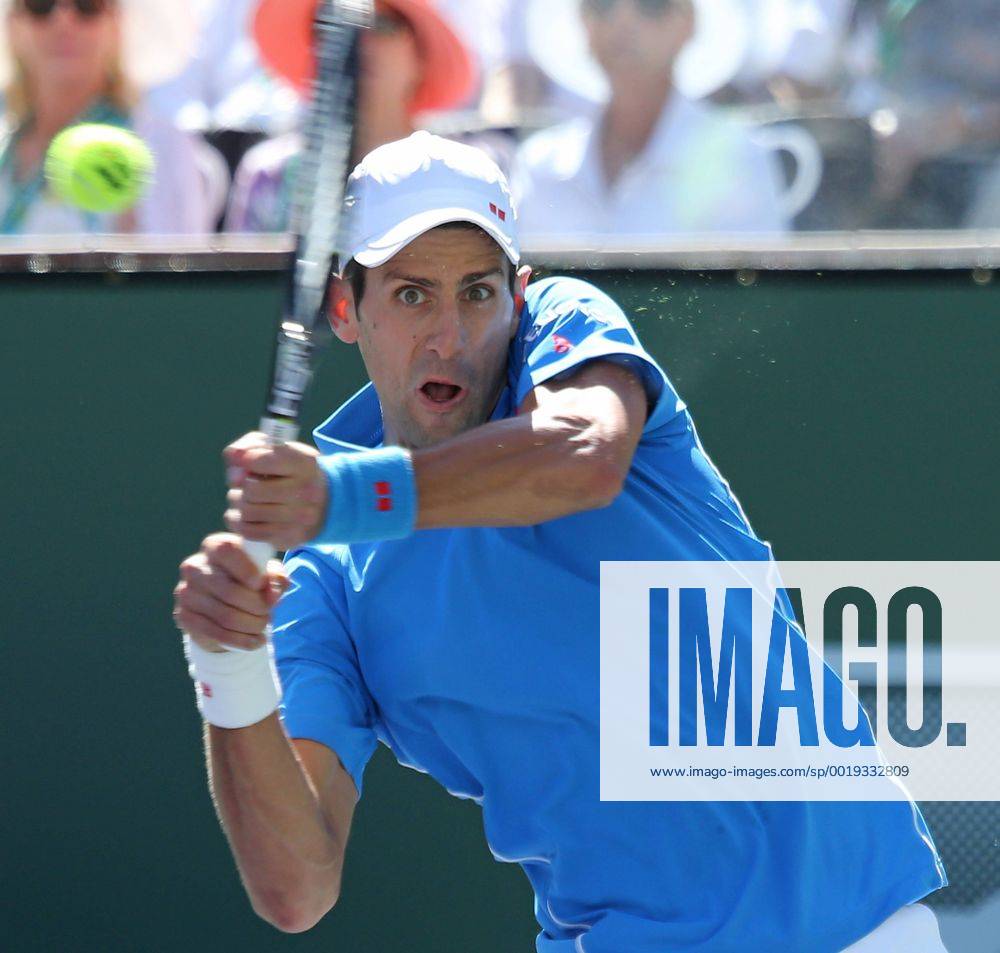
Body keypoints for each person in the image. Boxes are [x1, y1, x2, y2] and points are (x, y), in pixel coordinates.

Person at [173, 132, 948, 951]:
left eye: (478, 293)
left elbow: (586, 455)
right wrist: (227, 667)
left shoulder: (566, 336)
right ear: (344, 309)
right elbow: (296, 887)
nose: (449, 336)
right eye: (411, 296)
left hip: (857, 932)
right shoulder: (327, 580)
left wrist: (347, 495)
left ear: (520, 295)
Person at [513, 0, 790, 241]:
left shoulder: (738, 158)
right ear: (583, 22)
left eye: (652, 3)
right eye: (602, 3)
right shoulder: (539, 165)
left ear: (689, 23)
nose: (624, 21)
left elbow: (755, 297)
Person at [225, 0, 476, 233]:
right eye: (333, 23)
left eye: (382, 25)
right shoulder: (271, 175)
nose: (358, 43)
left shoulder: (458, 174)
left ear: (420, 57)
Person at [0, 0, 214, 235]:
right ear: (12, 24)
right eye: (40, 5)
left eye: (88, 5)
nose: (63, 20)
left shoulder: (160, 144)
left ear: (116, 24)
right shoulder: (5, 145)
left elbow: (179, 264)